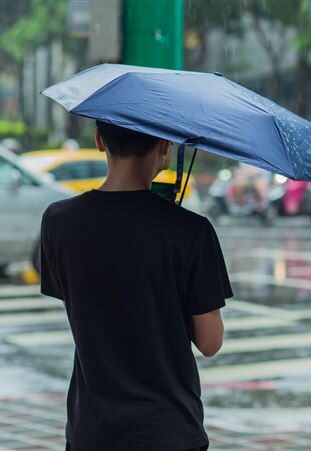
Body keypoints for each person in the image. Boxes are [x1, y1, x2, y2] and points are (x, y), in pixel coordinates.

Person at [40, 120, 232, 450]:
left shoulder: (59, 221)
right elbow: (210, 342)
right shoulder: (191, 231)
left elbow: (83, 305)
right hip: (169, 430)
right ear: (164, 144)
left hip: (92, 432)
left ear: (99, 139)